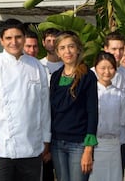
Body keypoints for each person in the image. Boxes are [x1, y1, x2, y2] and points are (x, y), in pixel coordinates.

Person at [0, 18, 50, 181]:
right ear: (1, 40)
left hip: (31, 148)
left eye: (18, 37)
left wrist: (46, 138)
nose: (14, 42)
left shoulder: (37, 67)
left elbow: (44, 107)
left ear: (24, 38)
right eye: (8, 38)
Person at [50, 31, 98, 181]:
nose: (67, 51)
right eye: (62, 48)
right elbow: (51, 110)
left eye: (71, 46)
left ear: (78, 49)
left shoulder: (87, 76)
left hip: (79, 143)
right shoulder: (56, 76)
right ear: (57, 52)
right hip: (57, 142)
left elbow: (92, 112)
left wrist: (88, 149)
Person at [101, 32, 125, 181]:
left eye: (121, 49)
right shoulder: (92, 73)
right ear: (105, 49)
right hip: (98, 139)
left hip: (120, 138)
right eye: (114, 49)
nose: (118, 53)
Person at [89, 51, 125, 181]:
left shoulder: (120, 94)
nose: (107, 72)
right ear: (95, 68)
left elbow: (122, 123)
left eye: (111, 68)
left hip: (114, 146)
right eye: (103, 68)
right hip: (94, 146)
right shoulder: (90, 92)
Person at [24, 28, 55, 181]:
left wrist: (46, 141)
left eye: (34, 46)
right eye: (28, 46)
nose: (32, 50)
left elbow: (45, 106)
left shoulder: (43, 70)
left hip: (45, 129)